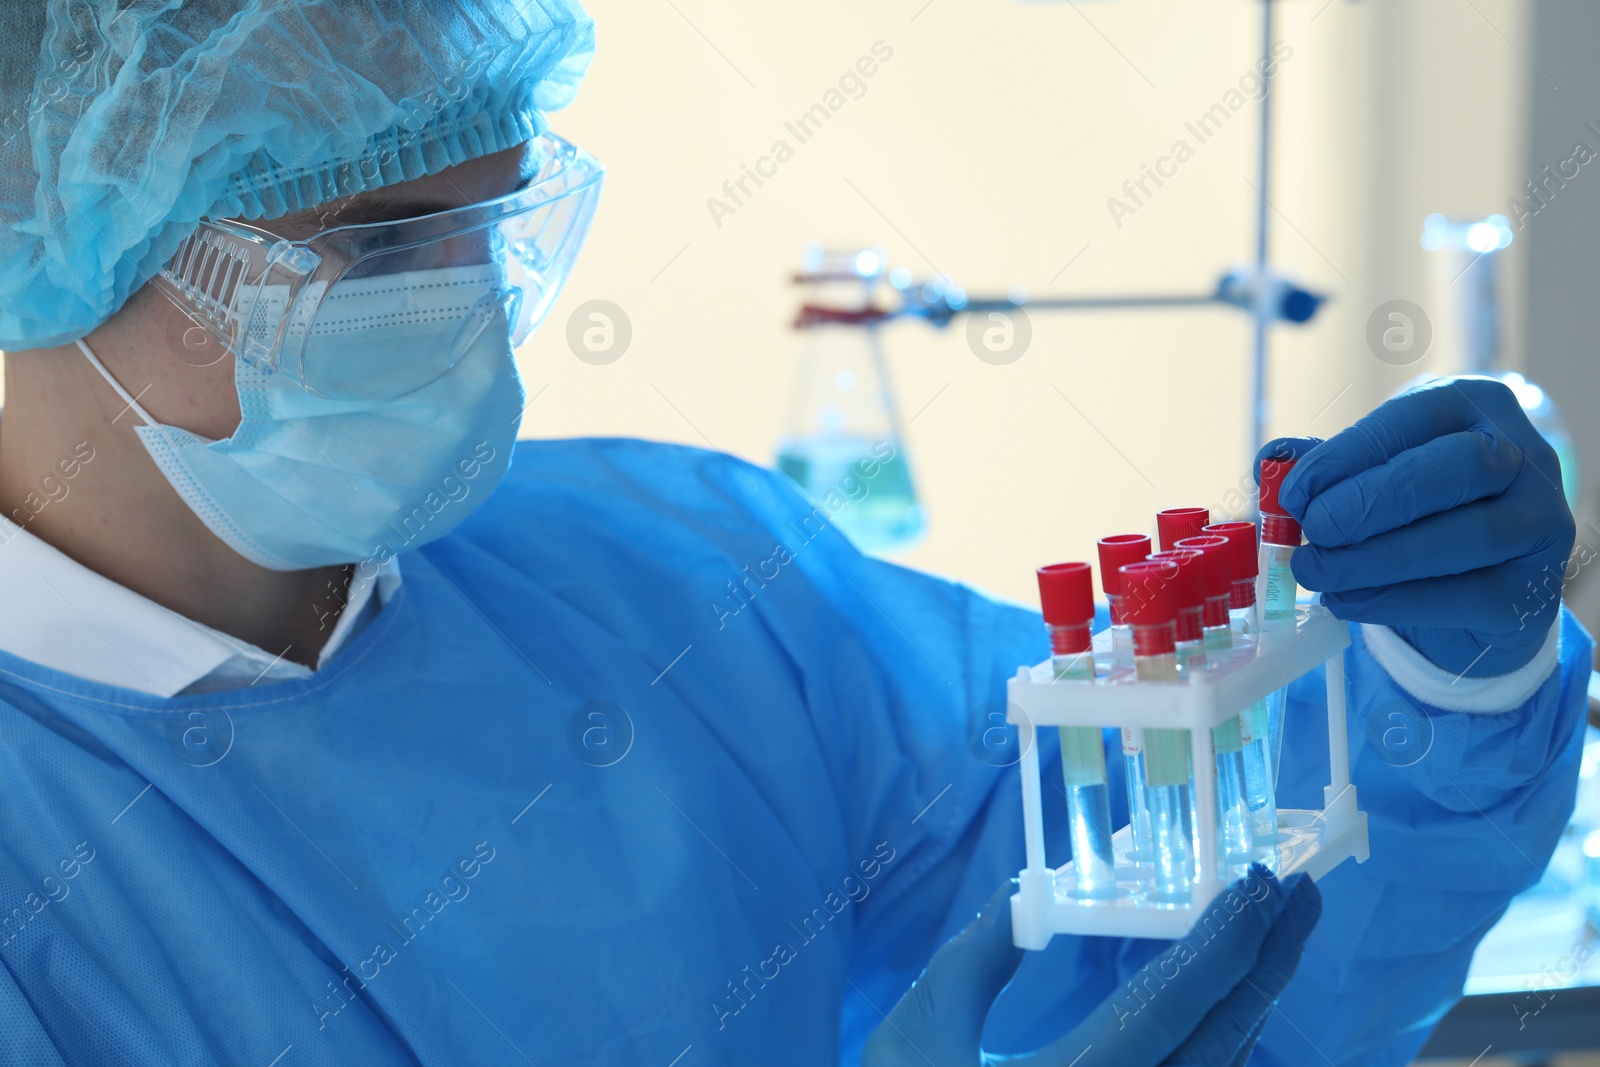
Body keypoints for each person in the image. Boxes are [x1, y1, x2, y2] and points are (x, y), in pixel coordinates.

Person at [0, 4, 1586, 1065]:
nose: (464, 308)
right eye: (374, 240)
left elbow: (1229, 945)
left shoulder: (677, 587)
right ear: (45, 243)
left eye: (491, 226)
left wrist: (1455, 683)